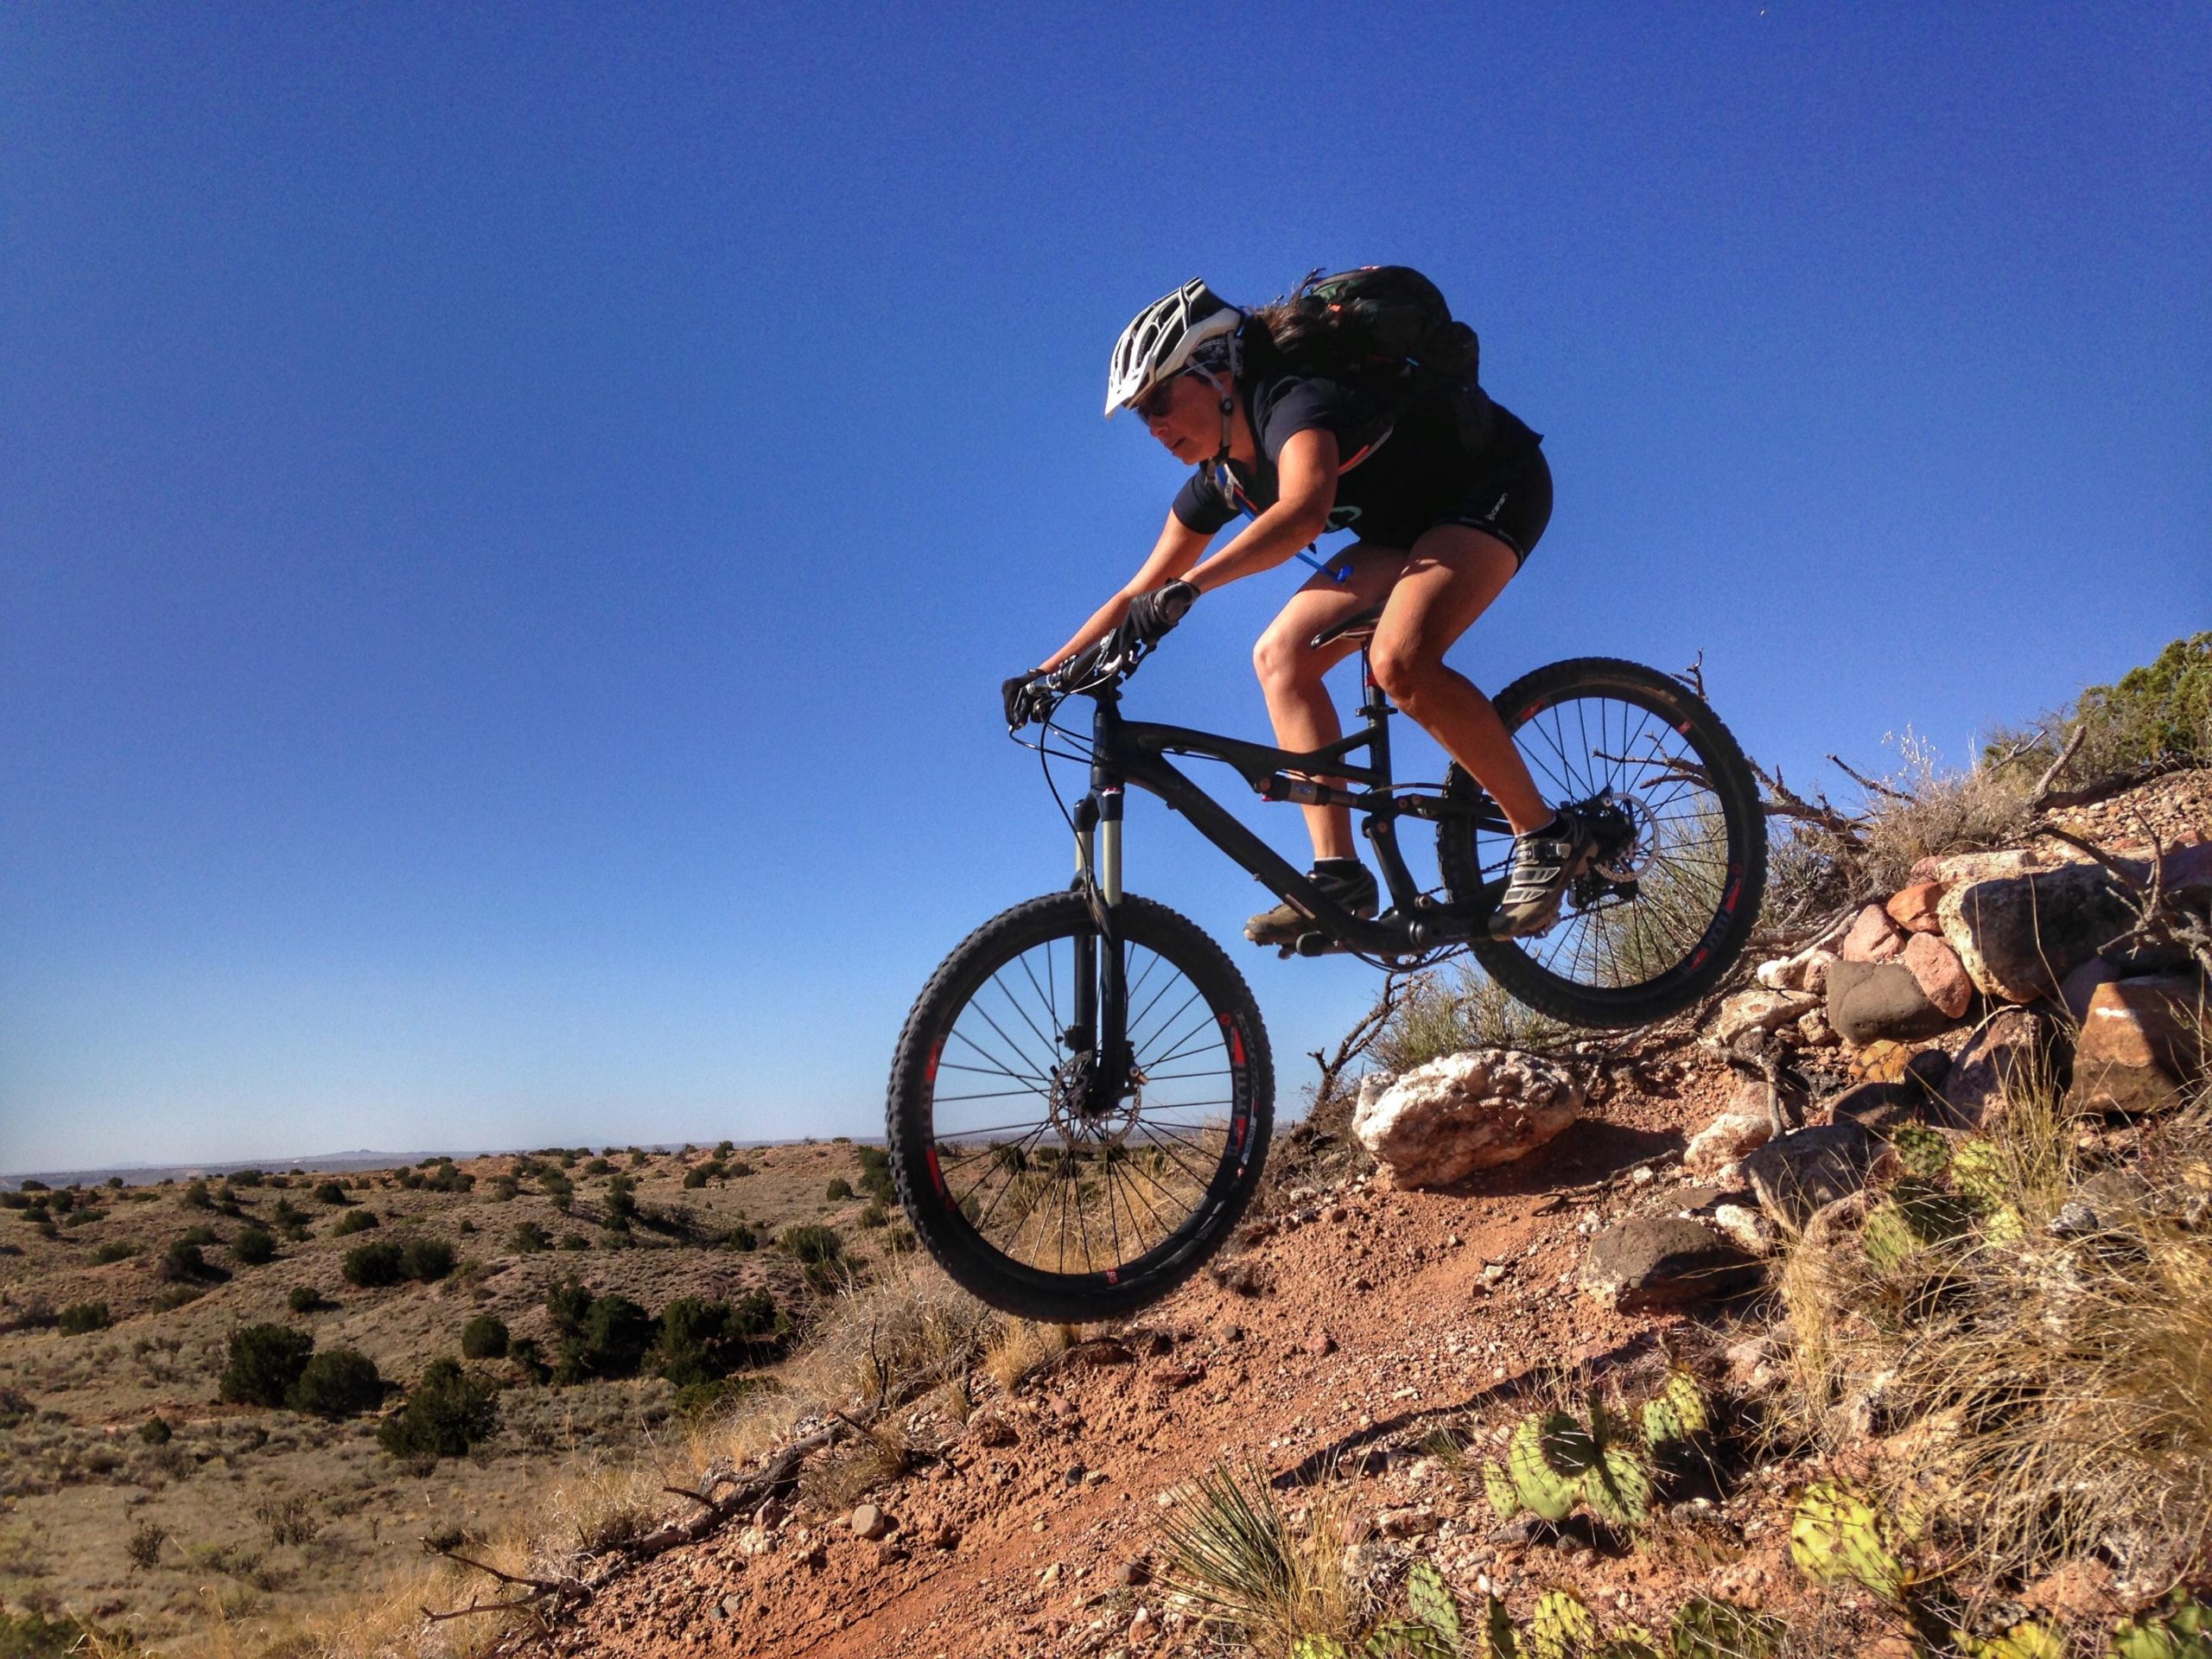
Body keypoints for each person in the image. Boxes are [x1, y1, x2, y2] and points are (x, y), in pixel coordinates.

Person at [1011, 276, 1592, 944]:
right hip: (1407, 529)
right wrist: (1048, 675)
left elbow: (1303, 510)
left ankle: (1546, 833)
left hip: (1495, 482)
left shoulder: (1292, 403)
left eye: (1161, 400)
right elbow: (1134, 592)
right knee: (1280, 656)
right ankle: (1338, 873)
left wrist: (1192, 588)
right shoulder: (1222, 478)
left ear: (1216, 370)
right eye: (1144, 415)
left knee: (1399, 661)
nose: (1156, 426)